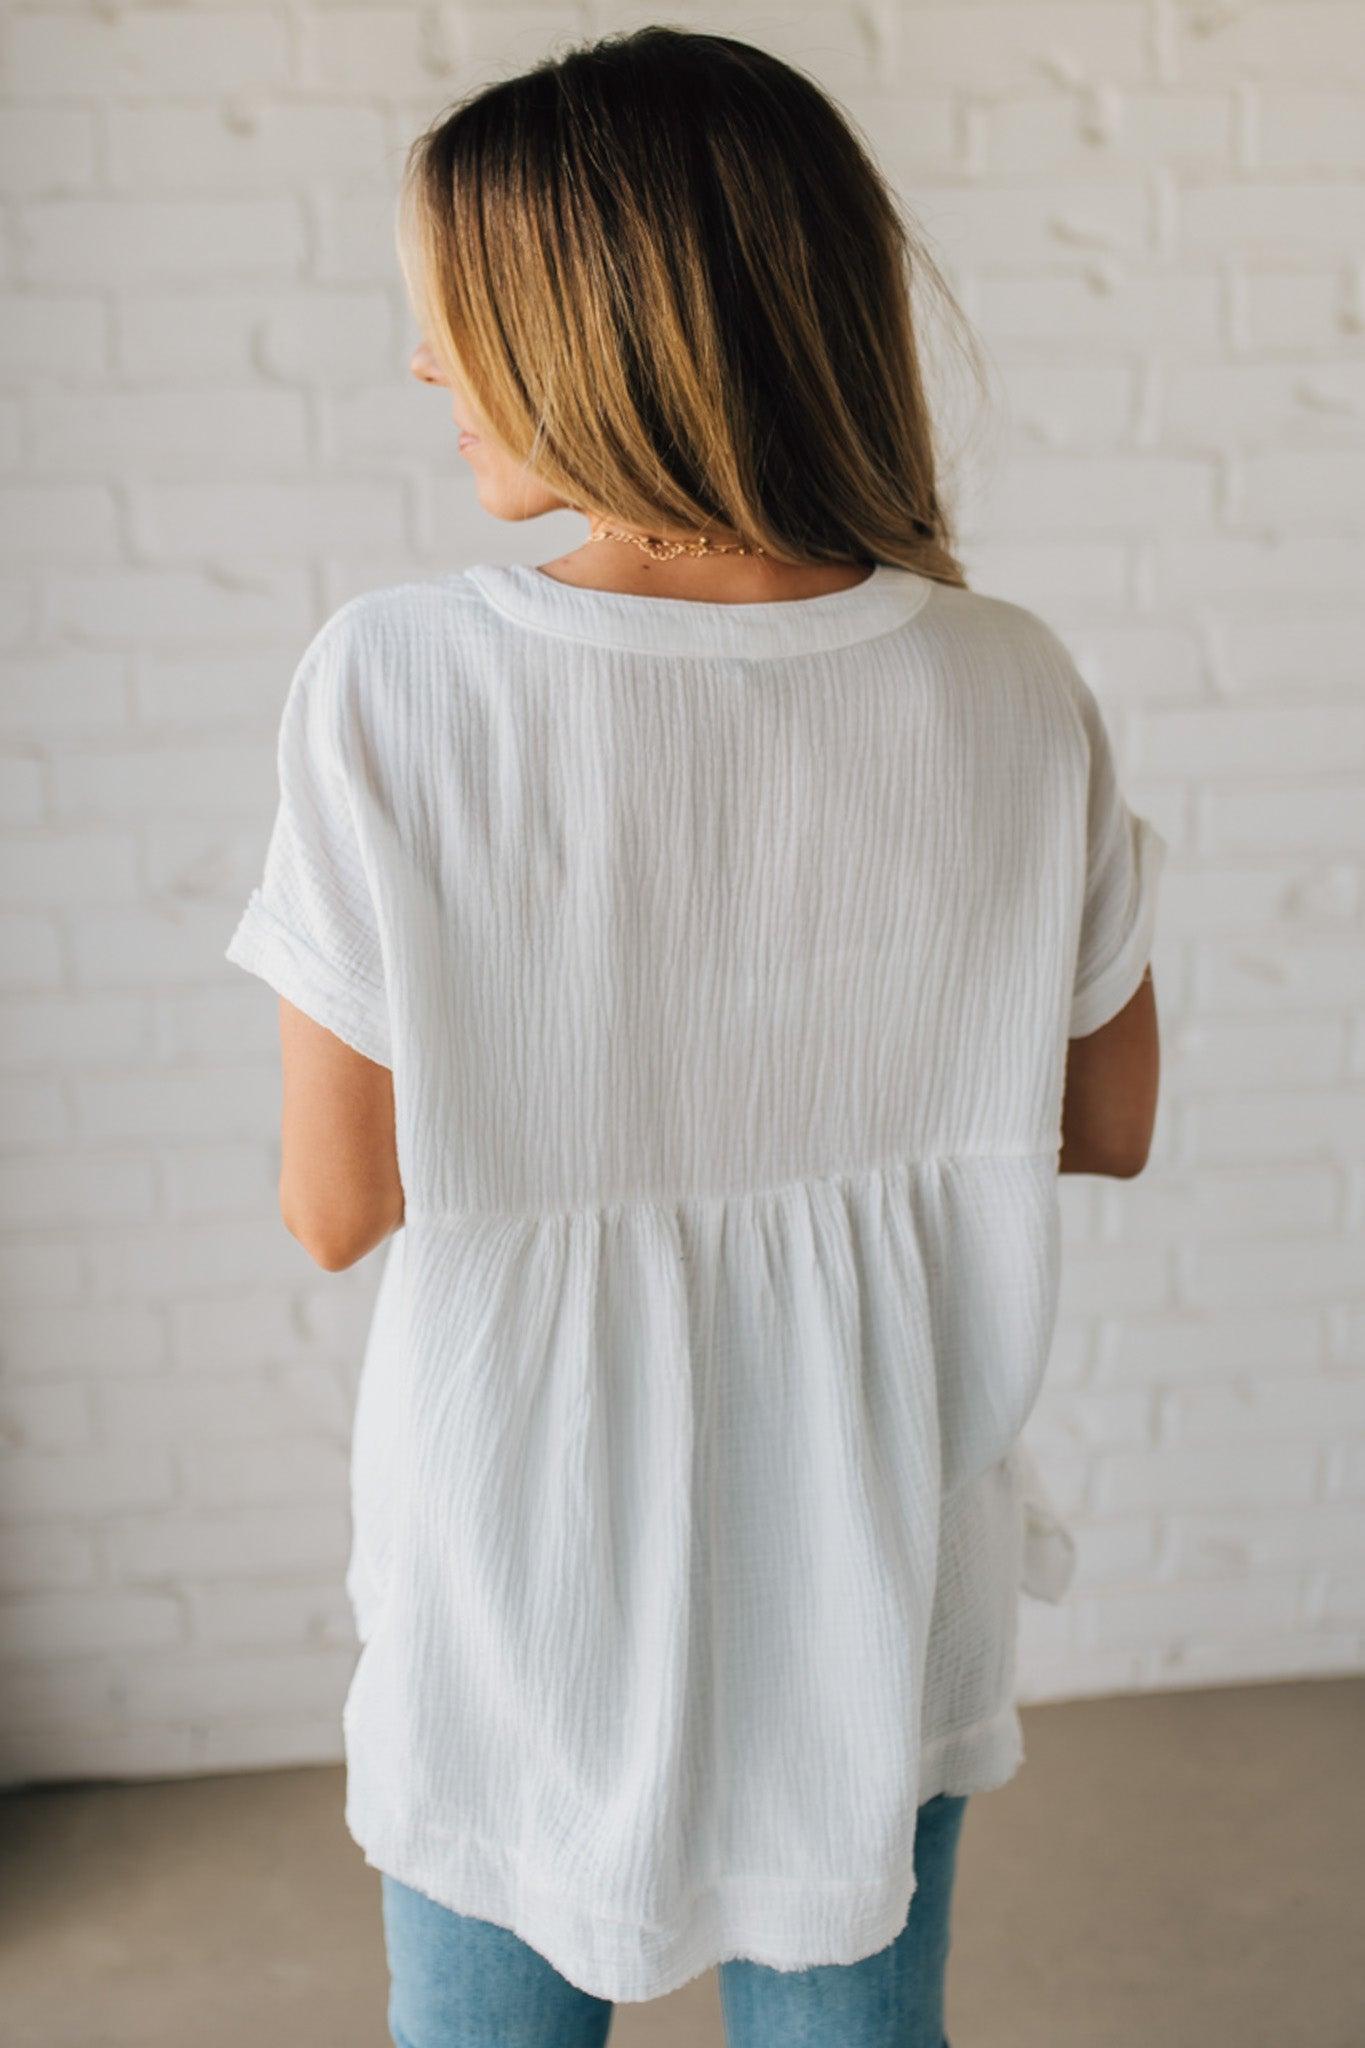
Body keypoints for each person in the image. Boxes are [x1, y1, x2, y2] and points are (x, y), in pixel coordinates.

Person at [223, 25, 1165, 2048]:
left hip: (520, 1560)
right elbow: (1102, 1121)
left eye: (456, 311)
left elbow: (333, 1205)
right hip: (876, 1544)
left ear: (603, 333)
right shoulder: (1010, 682)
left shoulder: (398, 683)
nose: (422, 363)